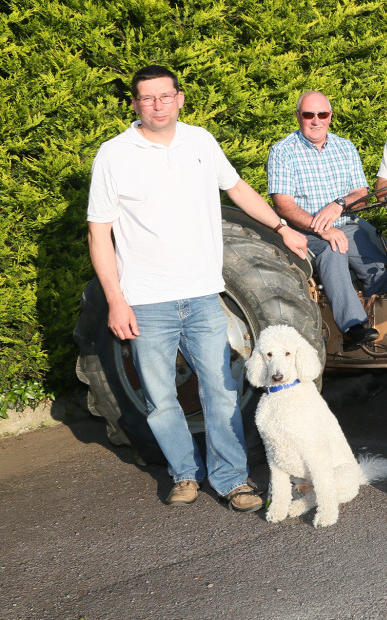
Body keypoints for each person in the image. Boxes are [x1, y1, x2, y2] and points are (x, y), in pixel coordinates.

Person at [87, 65, 308, 512]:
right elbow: (99, 232)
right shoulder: (114, 154)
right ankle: (185, 474)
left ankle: (231, 480)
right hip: (147, 301)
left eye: (165, 97)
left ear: (179, 98)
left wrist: (282, 226)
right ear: (135, 104)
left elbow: (238, 188)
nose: (157, 105)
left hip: (205, 295)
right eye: (147, 98)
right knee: (161, 400)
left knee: (221, 390)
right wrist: (115, 300)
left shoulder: (201, 142)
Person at [267, 91, 387, 346]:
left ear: (330, 116)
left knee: (384, 267)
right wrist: (321, 228)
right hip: (307, 232)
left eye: (322, 114)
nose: (316, 120)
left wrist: (339, 205)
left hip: (348, 224)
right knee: (332, 249)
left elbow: (361, 194)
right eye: (308, 115)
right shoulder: (283, 151)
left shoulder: (345, 146)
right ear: (298, 117)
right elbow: (284, 206)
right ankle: (352, 327)